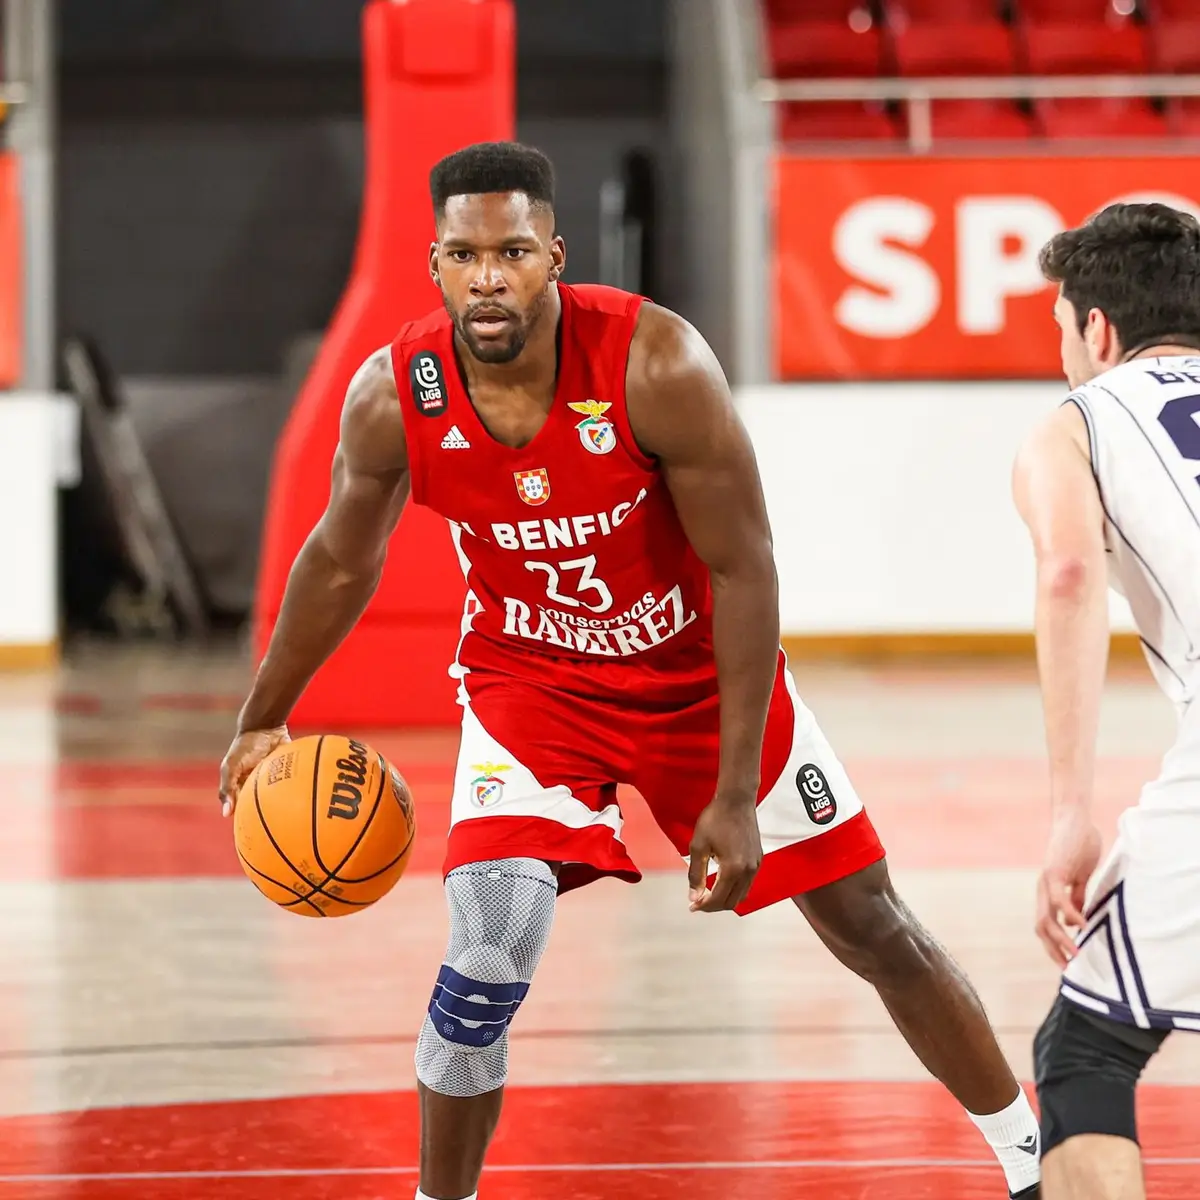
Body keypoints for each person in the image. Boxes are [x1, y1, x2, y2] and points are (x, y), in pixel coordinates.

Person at [219, 141, 1041, 1200]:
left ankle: (1034, 1159)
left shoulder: (655, 364)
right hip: (531, 688)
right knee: (488, 953)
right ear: (434, 265)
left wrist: (736, 794)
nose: (487, 276)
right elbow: (341, 557)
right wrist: (262, 714)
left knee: (872, 928)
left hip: (698, 675)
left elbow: (745, 568)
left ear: (553, 255)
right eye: (464, 254)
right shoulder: (396, 396)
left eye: (512, 250)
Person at [1013, 201, 1200, 1200]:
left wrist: (1070, 817)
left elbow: (1071, 580)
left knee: (1085, 1051)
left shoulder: (1079, 420)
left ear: (1097, 329)